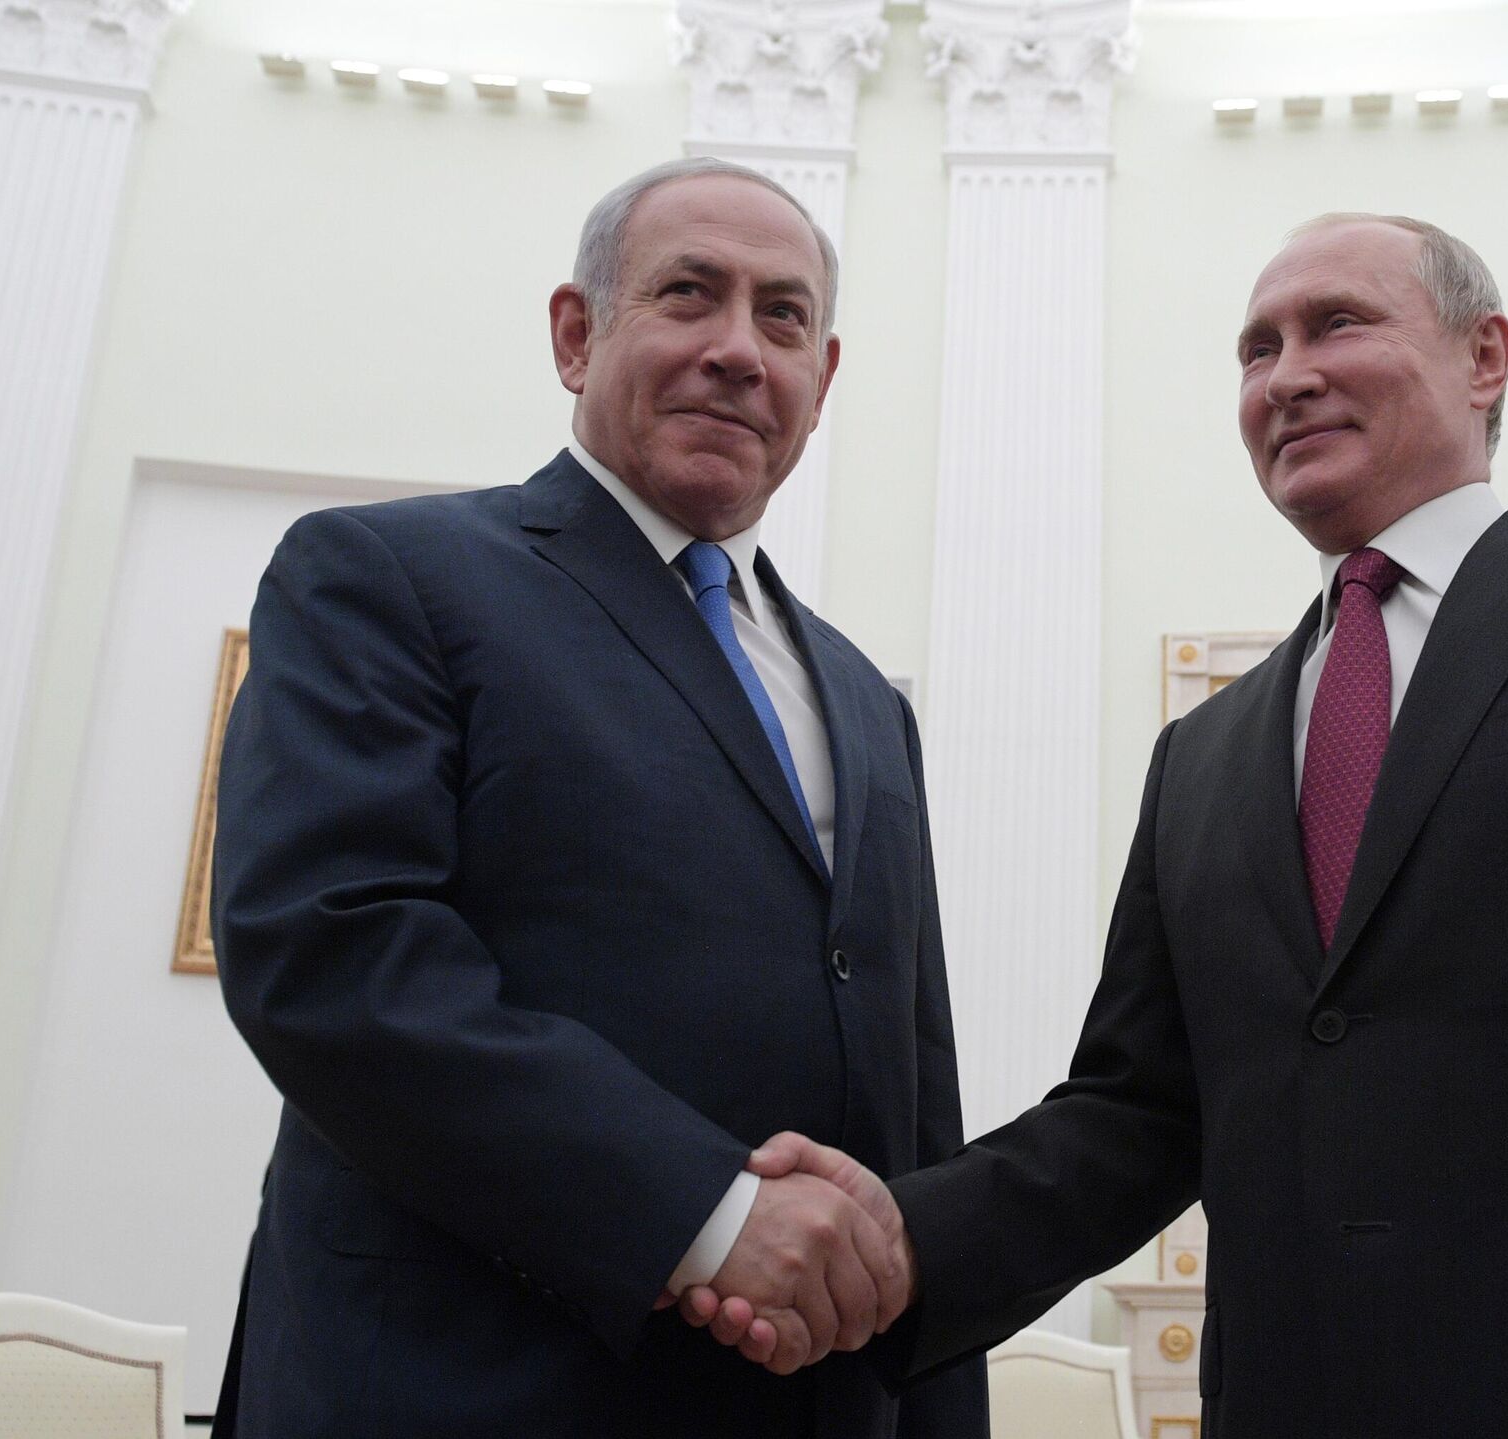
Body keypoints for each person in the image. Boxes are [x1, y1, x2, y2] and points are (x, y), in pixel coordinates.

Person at [690, 214, 1508, 1438]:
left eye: (1337, 324)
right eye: (1257, 349)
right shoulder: (1202, 755)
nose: (1287, 376)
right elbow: (1137, 1116)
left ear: (1485, 355)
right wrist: (902, 1239)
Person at [208, 156, 987, 1439]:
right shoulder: (387, 576)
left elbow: (915, 1088)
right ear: (577, 335)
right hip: (460, 1389)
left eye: (783, 317)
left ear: (822, 377)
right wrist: (708, 1214)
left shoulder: (864, 698)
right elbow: (331, 953)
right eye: (689, 293)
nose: (738, 350)